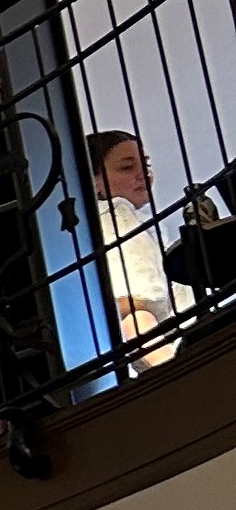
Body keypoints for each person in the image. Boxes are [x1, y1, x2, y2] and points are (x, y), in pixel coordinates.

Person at [89, 125, 178, 359]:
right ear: (94, 182)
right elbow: (143, 298)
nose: (144, 174)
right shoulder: (115, 216)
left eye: (145, 165)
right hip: (150, 340)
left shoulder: (138, 222)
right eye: (128, 167)